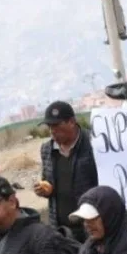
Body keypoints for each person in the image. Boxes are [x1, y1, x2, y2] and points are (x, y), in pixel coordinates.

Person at [35, 101, 98, 242]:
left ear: (72, 122)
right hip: (62, 231)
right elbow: (47, 181)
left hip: (90, 225)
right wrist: (46, 191)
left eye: (57, 125)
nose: (52, 131)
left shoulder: (94, 144)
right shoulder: (47, 149)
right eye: (50, 126)